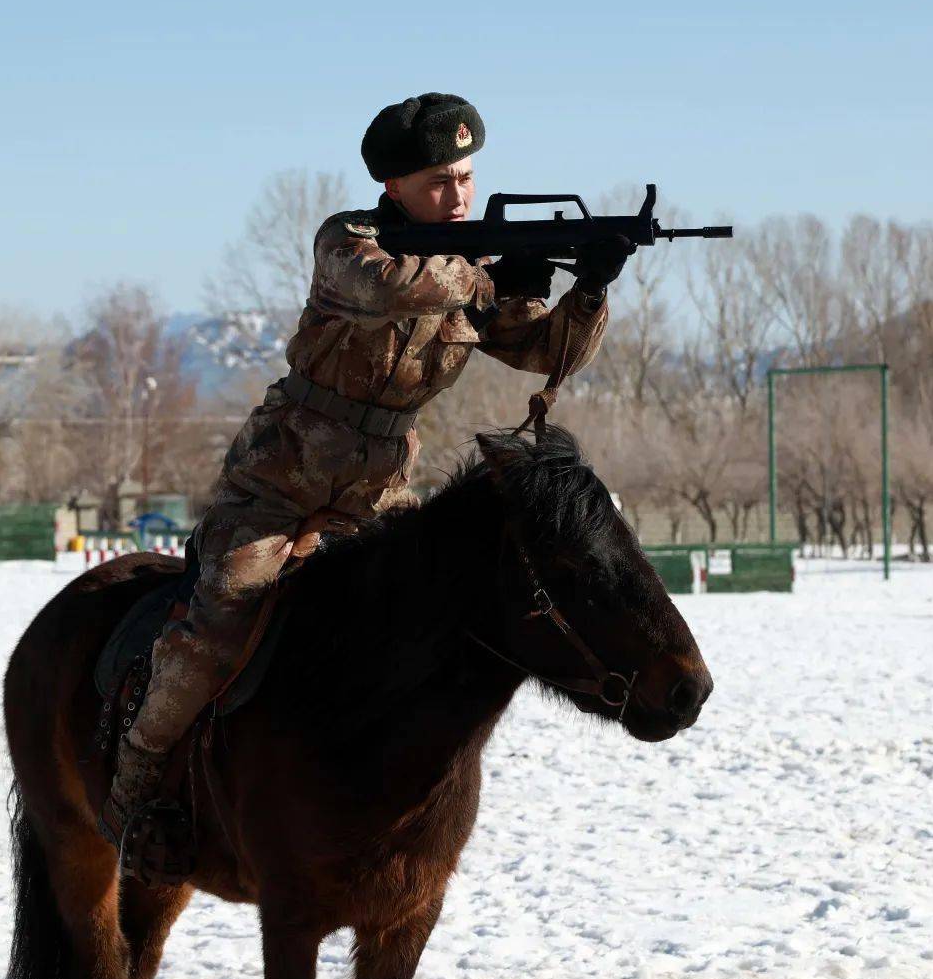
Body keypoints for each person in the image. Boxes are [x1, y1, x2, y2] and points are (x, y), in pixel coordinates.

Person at [100, 93, 631, 880]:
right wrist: (484, 276)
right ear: (395, 185)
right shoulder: (352, 242)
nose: (458, 197)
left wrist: (587, 288)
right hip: (280, 482)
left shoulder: (463, 272)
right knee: (220, 621)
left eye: (467, 179)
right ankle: (134, 792)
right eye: (439, 183)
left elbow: (545, 351)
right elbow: (392, 288)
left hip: (379, 494)